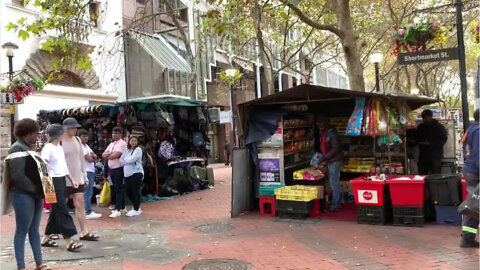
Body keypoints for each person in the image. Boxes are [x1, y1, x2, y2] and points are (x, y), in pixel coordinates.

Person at [6, 119, 50, 270]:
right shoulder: (17, 148)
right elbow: (18, 176)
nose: (37, 136)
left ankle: (39, 262)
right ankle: (21, 266)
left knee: (34, 229)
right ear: (29, 133)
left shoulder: (25, 147)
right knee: (22, 230)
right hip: (24, 194)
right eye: (35, 133)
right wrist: (36, 190)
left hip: (33, 194)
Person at [40, 124, 82, 252]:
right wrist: (46, 185)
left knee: (56, 210)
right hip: (50, 181)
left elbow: (63, 167)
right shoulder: (48, 148)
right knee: (62, 209)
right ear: (58, 135)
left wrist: (72, 179)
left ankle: (45, 239)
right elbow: (43, 166)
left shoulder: (59, 147)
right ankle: (69, 241)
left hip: (60, 180)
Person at [62, 118, 100, 241]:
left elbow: (81, 159)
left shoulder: (77, 140)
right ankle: (50, 233)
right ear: (66, 128)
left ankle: (84, 231)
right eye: (73, 127)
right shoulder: (59, 140)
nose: (75, 129)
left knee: (80, 204)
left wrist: (84, 176)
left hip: (77, 177)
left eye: (76, 127)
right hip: (64, 178)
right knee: (60, 207)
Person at [316, 115, 343, 213]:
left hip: (334, 161)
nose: (319, 125)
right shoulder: (323, 133)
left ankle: (335, 205)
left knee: (334, 182)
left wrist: (325, 157)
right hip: (328, 160)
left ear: (327, 123)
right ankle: (334, 203)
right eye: (318, 123)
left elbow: (336, 147)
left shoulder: (332, 133)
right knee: (332, 182)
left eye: (321, 122)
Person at [460, 109, 479, 248]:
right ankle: (467, 238)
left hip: (470, 169)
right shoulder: (478, 131)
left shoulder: (471, 129)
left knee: (475, 204)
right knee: (475, 204)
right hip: (476, 171)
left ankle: (467, 238)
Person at [103, 126, 127, 218]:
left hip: (119, 169)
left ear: (121, 134)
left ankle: (117, 209)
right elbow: (104, 154)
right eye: (113, 133)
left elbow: (116, 155)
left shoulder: (122, 143)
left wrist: (109, 155)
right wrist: (110, 154)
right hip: (111, 169)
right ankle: (122, 206)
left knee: (118, 189)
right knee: (116, 188)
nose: (114, 134)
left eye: (117, 133)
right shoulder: (112, 144)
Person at [78, 129, 102, 219]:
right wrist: (92, 157)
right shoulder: (81, 146)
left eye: (87, 136)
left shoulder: (86, 146)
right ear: (79, 137)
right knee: (88, 191)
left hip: (90, 170)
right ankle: (87, 212)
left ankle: (86, 210)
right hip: (86, 170)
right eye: (83, 136)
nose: (86, 138)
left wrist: (93, 156)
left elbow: (94, 155)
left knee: (88, 191)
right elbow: (89, 159)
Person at [416, 109, 448, 174]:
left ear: (431, 116)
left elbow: (443, 139)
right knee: (422, 176)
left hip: (435, 156)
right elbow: (416, 137)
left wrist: (431, 143)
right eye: (423, 118)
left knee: (436, 177)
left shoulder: (439, 127)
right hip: (423, 157)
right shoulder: (421, 127)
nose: (425, 119)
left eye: (426, 117)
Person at [120, 136, 144, 217]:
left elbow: (132, 160)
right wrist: (127, 160)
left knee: (135, 191)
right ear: (129, 141)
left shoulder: (138, 150)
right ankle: (136, 207)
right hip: (127, 174)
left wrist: (126, 160)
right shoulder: (126, 150)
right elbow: (121, 160)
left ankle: (136, 209)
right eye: (132, 140)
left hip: (136, 172)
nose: (134, 142)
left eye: (135, 141)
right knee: (128, 191)